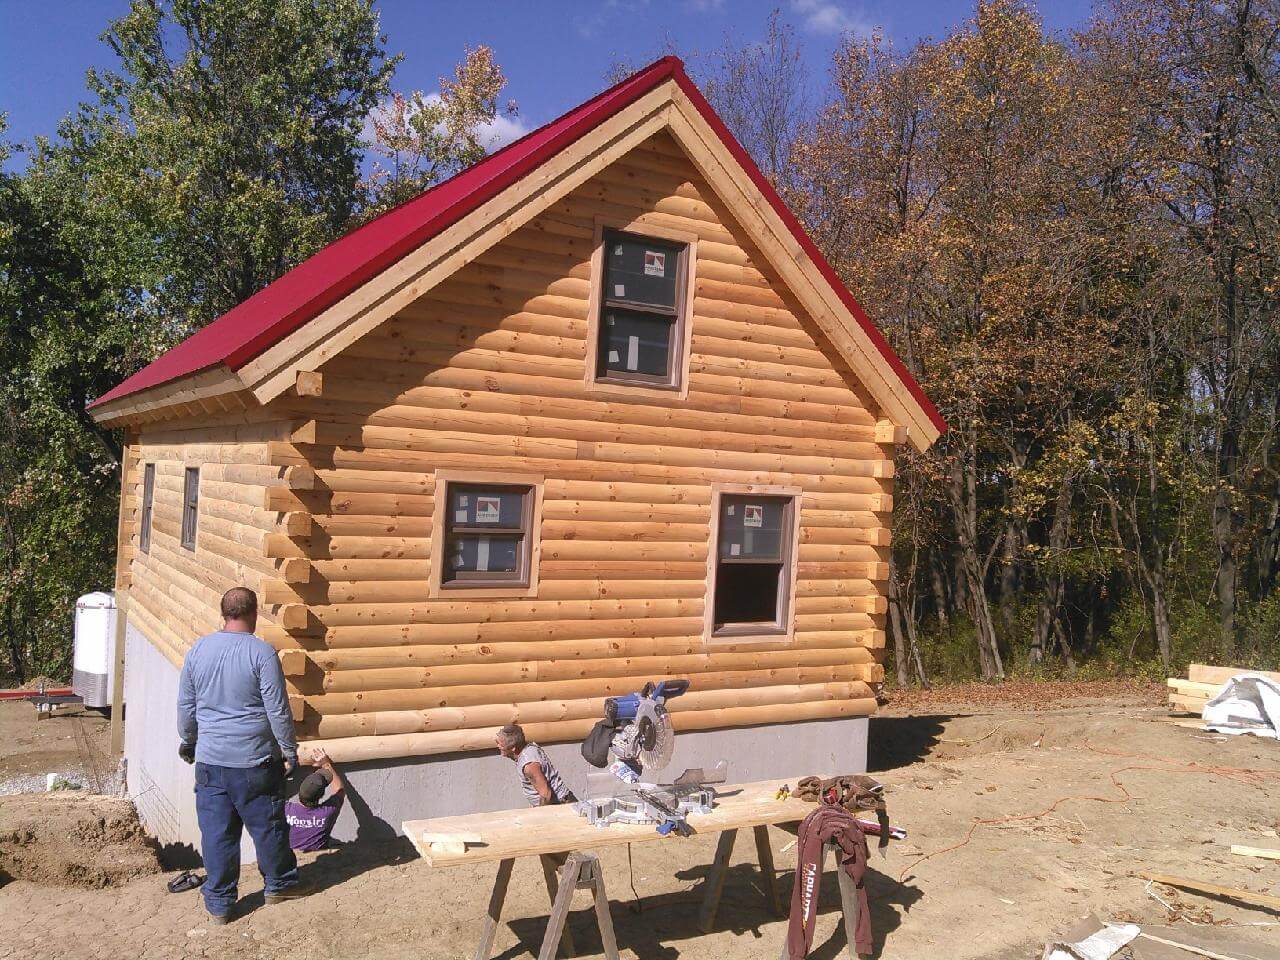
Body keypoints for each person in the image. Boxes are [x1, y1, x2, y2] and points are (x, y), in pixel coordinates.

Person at [177, 586, 309, 923]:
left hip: (211, 761)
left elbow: (187, 706)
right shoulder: (261, 653)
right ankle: (279, 885)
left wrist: (189, 741)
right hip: (255, 761)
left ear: (223, 613)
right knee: (267, 827)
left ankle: (220, 903)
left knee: (217, 833)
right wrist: (289, 750)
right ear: (254, 613)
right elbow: (277, 710)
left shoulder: (198, 650)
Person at [495, 723, 575, 806]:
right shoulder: (528, 748)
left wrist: (540, 813)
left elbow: (546, 795)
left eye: (501, 744)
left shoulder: (529, 765)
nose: (498, 746)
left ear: (513, 748)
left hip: (560, 805)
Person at [285, 749, 345, 851]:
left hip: (291, 856)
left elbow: (270, 795)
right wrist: (326, 764)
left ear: (299, 792)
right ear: (321, 796)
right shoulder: (327, 812)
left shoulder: (285, 810)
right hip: (319, 854)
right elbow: (340, 790)